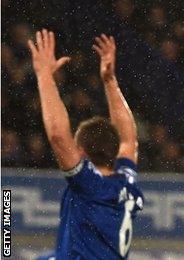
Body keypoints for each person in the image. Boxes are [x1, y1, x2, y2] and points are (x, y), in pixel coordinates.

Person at [28, 29, 144, 259]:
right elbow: (129, 138)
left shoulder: (90, 185)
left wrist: (44, 76)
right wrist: (110, 81)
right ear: (114, 152)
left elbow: (59, 137)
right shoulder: (126, 181)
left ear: (81, 151)